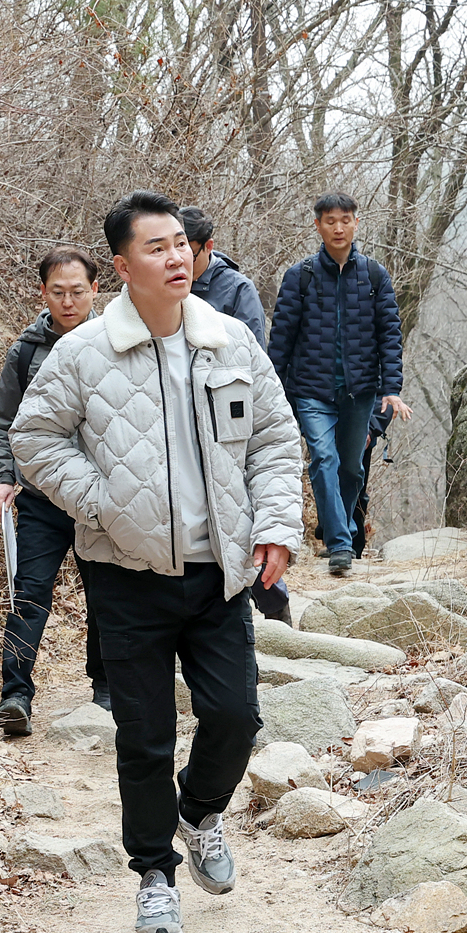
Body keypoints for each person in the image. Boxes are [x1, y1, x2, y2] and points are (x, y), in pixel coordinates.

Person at [13, 191, 301, 933]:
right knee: (143, 736)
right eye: (156, 247)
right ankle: (154, 878)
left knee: (236, 716)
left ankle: (200, 812)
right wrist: (100, 501)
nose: (176, 257)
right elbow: (33, 438)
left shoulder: (231, 340)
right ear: (121, 264)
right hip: (125, 574)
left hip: (218, 575)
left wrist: (273, 525)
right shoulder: (84, 353)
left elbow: (274, 438)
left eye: (182, 244)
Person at [0, 248, 106, 737]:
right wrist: (2, 475)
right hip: (40, 498)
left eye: (77, 291)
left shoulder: (114, 342)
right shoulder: (27, 350)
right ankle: (15, 695)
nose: (68, 300)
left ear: (95, 290)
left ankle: (106, 688)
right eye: (57, 292)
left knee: (106, 593)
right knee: (29, 594)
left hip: (101, 496)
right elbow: (4, 421)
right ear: (42, 293)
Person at [265, 193, 412, 577]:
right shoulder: (301, 276)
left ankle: (341, 529)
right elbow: (281, 339)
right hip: (311, 391)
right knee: (324, 460)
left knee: (351, 469)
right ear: (318, 226)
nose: (338, 227)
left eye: (345, 219)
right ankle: (340, 544)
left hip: (359, 393)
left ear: (356, 223)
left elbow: (389, 337)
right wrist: (270, 391)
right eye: (330, 220)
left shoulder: (375, 276)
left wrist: (390, 388)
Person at [182, 205, 290, 626]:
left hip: (227, 421)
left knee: (240, 522)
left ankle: (275, 606)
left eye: (187, 250)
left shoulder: (236, 290)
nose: (178, 261)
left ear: (207, 247)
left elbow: (253, 361)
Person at [181, 207, 266, 344]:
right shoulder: (163, 283)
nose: (182, 264)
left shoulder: (239, 290)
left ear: (208, 246)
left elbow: (254, 355)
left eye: (191, 257)